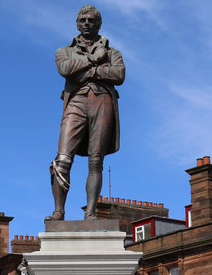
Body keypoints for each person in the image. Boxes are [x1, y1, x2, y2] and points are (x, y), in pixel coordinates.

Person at [45, 5, 125, 221]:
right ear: (77, 23)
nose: (87, 23)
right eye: (83, 20)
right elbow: (65, 69)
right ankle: (58, 211)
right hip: (76, 103)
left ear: (98, 24)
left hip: (103, 102)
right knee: (62, 159)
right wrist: (93, 60)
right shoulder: (64, 51)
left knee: (96, 160)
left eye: (91, 20)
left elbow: (118, 75)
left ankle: (90, 213)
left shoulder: (112, 52)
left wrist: (91, 72)